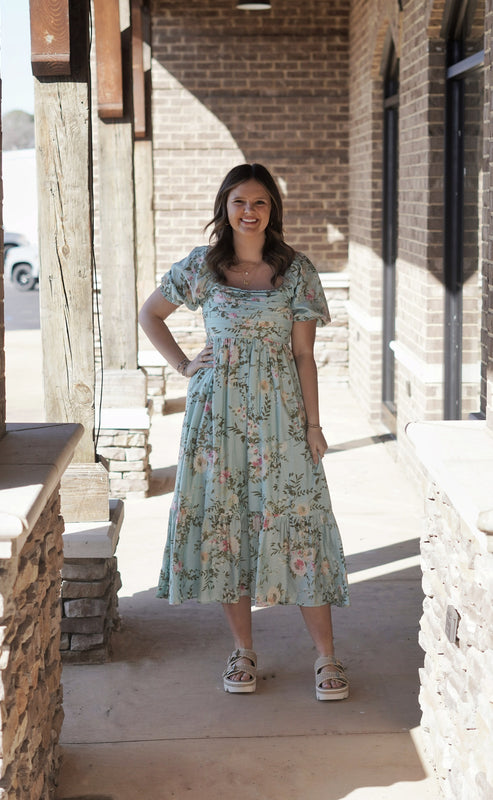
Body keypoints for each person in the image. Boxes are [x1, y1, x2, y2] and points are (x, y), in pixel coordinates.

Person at [138, 163, 350, 700]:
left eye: (259, 202)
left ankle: (326, 657)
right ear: (225, 208)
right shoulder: (202, 268)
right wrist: (186, 366)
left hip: (281, 415)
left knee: (301, 521)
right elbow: (150, 314)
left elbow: (304, 354)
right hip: (217, 416)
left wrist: (314, 424)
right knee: (227, 526)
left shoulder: (296, 270)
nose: (249, 212)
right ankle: (242, 651)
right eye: (239, 203)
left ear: (272, 208)